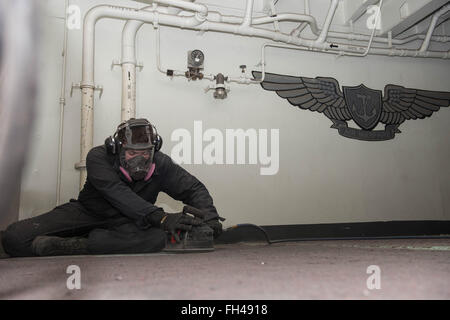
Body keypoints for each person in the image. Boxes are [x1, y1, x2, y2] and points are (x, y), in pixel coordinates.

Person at [0, 118, 223, 257]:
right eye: (132, 153)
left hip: (131, 222)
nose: (140, 158)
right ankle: (98, 240)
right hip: (86, 213)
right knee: (14, 239)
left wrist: (210, 218)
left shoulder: (161, 163)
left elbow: (193, 188)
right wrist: (163, 218)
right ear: (117, 149)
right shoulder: (98, 157)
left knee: (169, 238)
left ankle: (78, 246)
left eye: (145, 152)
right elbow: (117, 193)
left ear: (153, 150)